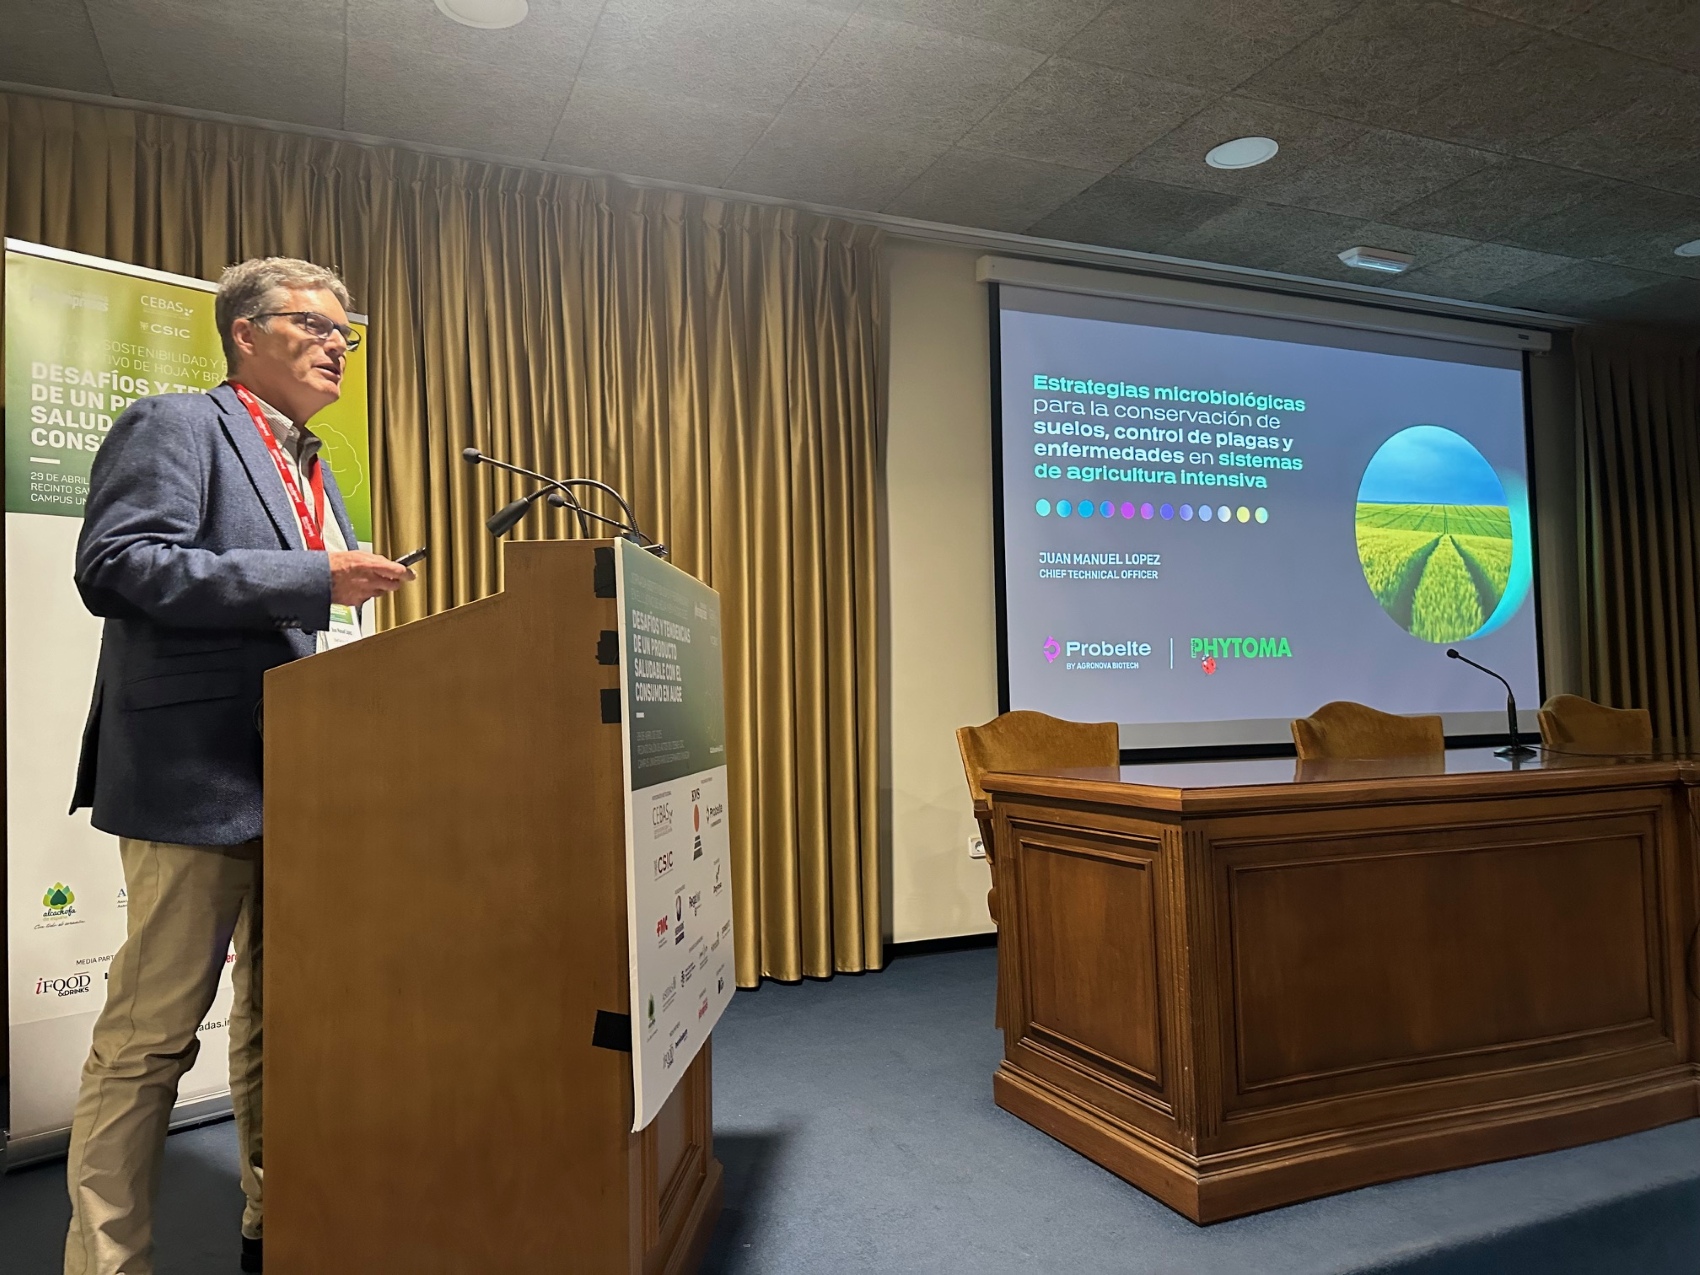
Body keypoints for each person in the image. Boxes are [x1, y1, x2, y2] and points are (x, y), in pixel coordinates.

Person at [62, 257, 413, 1275]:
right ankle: (106, 1262)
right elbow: (118, 565)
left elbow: (312, 619)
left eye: (348, 331)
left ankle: (277, 1225)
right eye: (313, 324)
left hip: (306, 781)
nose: (337, 344)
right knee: (151, 1039)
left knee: (279, 1019)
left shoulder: (315, 466)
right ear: (246, 333)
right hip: (194, 776)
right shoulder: (175, 425)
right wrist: (315, 574)